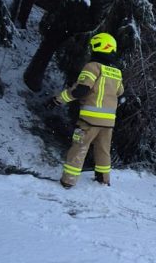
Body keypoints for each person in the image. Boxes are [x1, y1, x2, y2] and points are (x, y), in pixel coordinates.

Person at [51, 32, 124, 188]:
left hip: (89, 120)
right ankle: (103, 180)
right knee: (103, 151)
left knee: (79, 148)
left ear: (97, 47)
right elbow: (120, 93)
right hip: (108, 122)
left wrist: (58, 100)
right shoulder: (117, 72)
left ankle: (68, 181)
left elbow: (80, 91)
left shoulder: (92, 66)